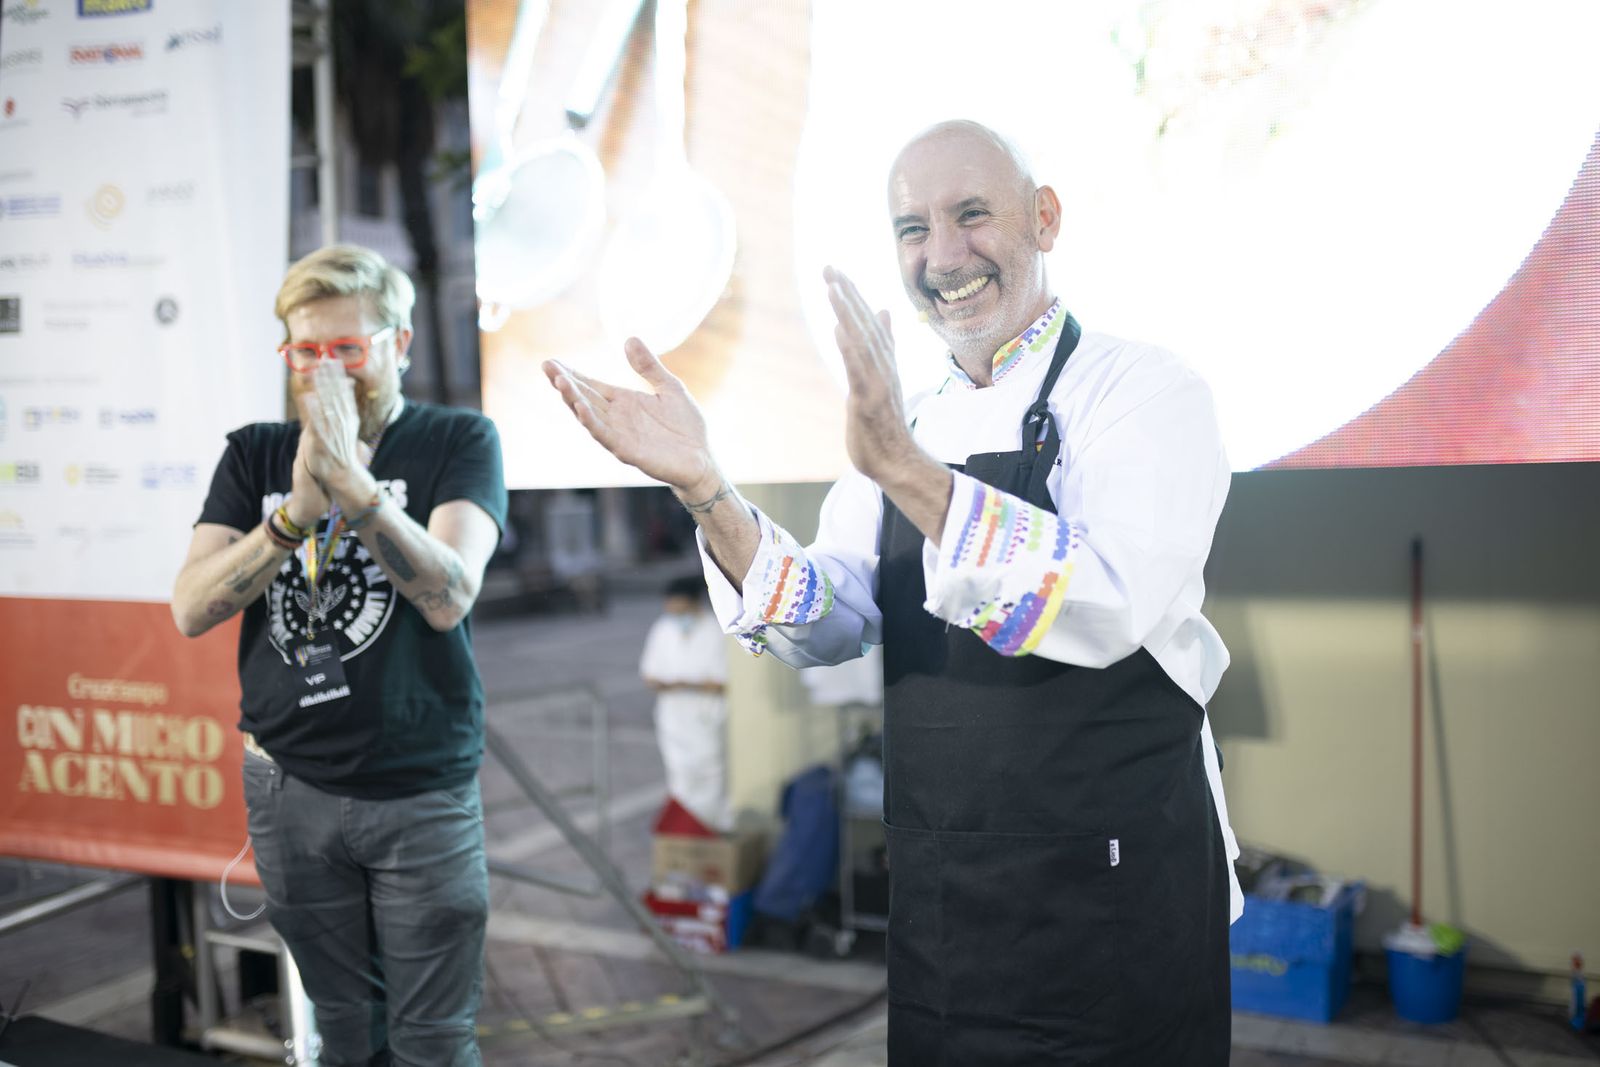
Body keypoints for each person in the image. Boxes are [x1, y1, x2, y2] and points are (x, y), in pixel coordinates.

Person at [544, 120, 1240, 1065]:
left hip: (1116, 897)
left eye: (971, 216)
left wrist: (912, 474)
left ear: (1044, 218)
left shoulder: (1144, 392)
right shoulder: (910, 423)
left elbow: (1105, 601)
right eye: (913, 228)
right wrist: (706, 487)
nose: (942, 256)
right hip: (949, 911)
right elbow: (823, 619)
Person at [171, 244, 507, 1066]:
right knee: (343, 1027)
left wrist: (357, 495)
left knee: (431, 1036)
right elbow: (189, 608)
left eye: (349, 349)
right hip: (288, 787)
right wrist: (293, 516)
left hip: (418, 787)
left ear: (400, 343)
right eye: (307, 351)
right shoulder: (255, 452)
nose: (326, 371)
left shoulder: (458, 438)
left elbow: (450, 594)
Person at [639, 575, 731, 832]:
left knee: (710, 773)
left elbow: (722, 680)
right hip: (672, 714)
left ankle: (710, 828)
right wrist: (671, 685)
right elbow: (649, 673)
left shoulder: (716, 630)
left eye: (681, 609)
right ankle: (684, 828)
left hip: (706, 713)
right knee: (679, 774)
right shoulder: (663, 629)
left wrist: (684, 685)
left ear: (694, 603)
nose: (675, 614)